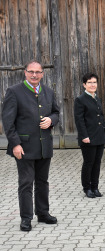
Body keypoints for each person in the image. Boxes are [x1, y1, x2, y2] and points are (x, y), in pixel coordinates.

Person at [2, 60, 60, 231]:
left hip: (44, 146)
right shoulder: (14, 92)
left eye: (38, 72)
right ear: (25, 72)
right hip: (24, 147)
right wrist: (15, 144)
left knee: (43, 182)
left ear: (42, 73)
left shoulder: (48, 91)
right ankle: (26, 218)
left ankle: (42, 213)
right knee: (26, 183)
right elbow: (8, 121)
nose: (34, 75)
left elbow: (56, 112)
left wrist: (51, 120)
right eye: (31, 71)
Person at [74, 73, 105, 198]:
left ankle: (95, 187)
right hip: (88, 137)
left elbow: (101, 117)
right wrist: (84, 136)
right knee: (88, 163)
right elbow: (79, 120)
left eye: (94, 82)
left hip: (99, 136)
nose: (92, 84)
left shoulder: (97, 99)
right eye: (89, 82)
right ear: (84, 84)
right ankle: (87, 188)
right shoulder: (80, 100)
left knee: (97, 163)